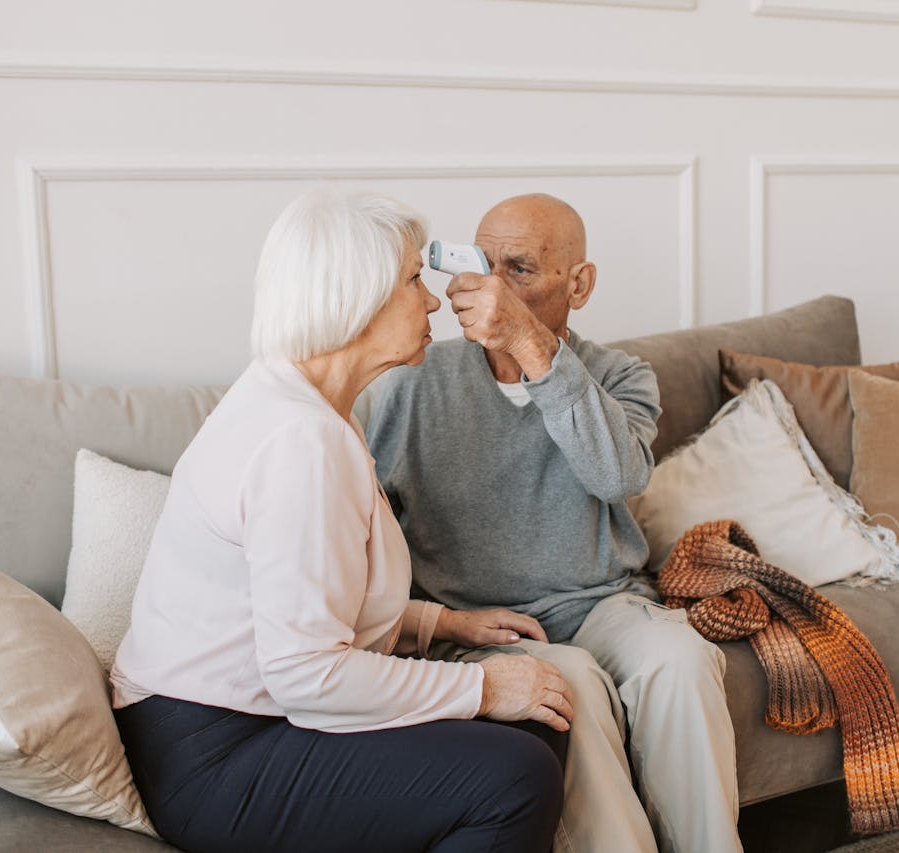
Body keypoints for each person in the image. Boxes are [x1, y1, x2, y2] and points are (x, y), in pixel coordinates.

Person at [109, 191, 576, 853]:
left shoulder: (309, 405)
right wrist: (482, 683)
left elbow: (308, 597)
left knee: (537, 723)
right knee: (516, 774)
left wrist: (438, 623)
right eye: (415, 280)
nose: (435, 301)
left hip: (243, 719)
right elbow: (305, 674)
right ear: (356, 298)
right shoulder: (299, 441)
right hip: (217, 754)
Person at [362, 193, 743, 853]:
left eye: (520, 270)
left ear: (579, 284)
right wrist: (432, 624)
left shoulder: (621, 376)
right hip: (483, 618)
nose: (495, 289)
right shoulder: (413, 381)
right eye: (484, 266)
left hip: (603, 601)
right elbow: (364, 529)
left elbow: (618, 475)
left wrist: (531, 347)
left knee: (682, 660)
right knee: (571, 685)